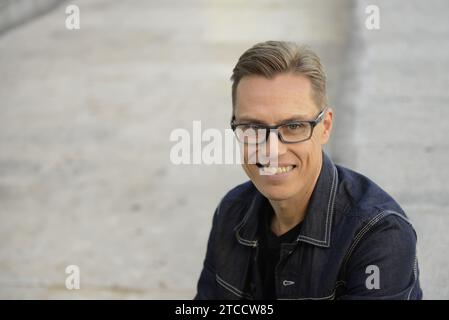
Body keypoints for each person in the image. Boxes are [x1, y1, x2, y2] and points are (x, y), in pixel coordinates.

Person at [195, 41, 422, 300]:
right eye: (253, 128)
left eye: (293, 126)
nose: (272, 150)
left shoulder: (378, 236)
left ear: (325, 127)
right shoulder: (232, 211)